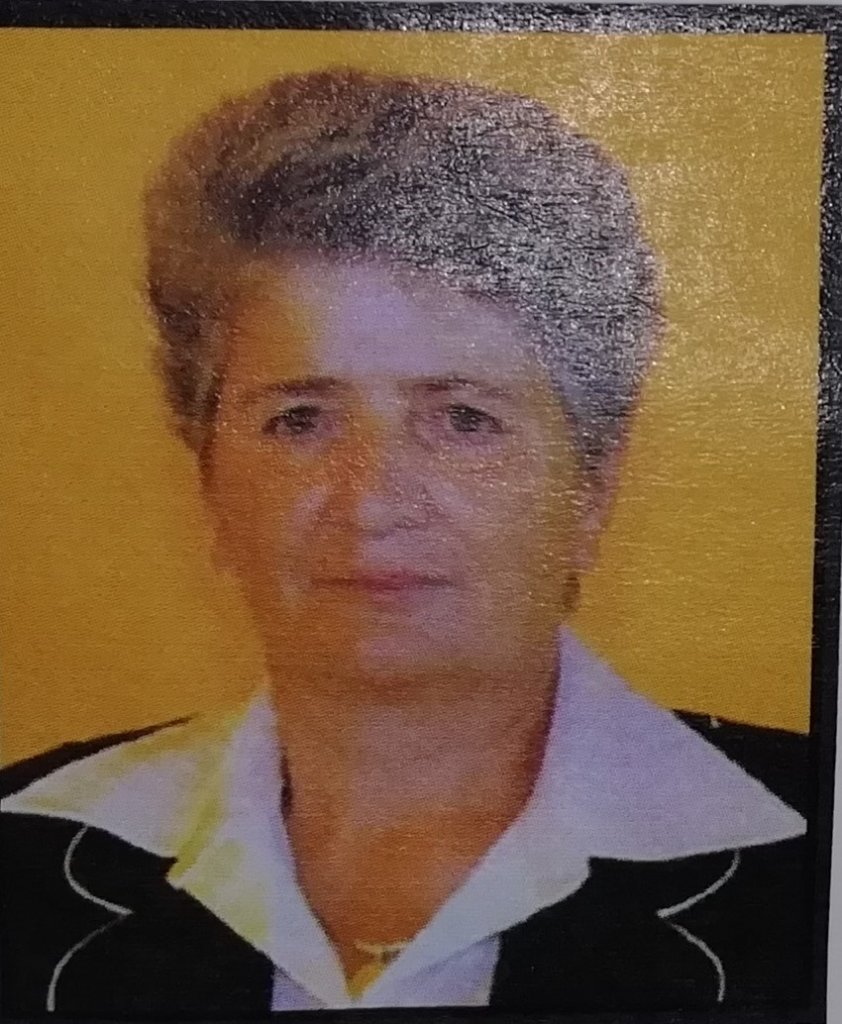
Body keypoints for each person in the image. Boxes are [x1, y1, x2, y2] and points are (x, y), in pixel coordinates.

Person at [0, 69, 810, 1015]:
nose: (372, 502)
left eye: (464, 419)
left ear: (592, 482)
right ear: (210, 483)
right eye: (300, 420)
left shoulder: (811, 845)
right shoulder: (24, 846)